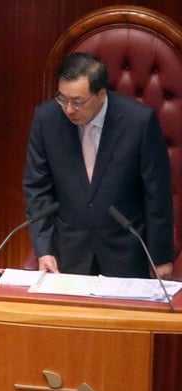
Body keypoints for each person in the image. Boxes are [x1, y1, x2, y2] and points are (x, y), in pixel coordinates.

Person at [23, 52, 174, 278]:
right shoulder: (47, 119)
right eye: (62, 98)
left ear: (101, 94)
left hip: (126, 253)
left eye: (78, 101)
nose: (69, 109)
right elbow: (37, 187)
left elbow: (157, 194)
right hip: (67, 254)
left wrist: (160, 257)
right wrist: (43, 249)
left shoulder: (139, 122)